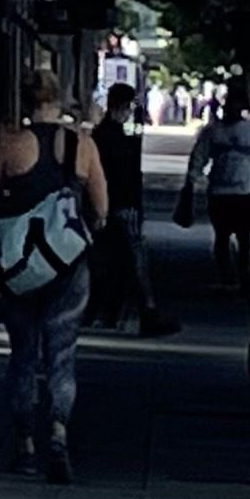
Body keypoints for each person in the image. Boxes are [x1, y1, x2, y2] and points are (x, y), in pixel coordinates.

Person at [0, 68, 109, 481]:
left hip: (20, 266)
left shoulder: (12, 143)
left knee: (22, 354)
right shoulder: (82, 146)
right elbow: (102, 208)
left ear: (25, 101)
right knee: (62, 355)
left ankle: (24, 447)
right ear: (60, 100)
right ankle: (58, 433)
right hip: (68, 265)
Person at [90, 81, 181, 337]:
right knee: (134, 259)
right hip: (122, 204)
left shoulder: (101, 135)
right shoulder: (116, 138)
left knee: (112, 259)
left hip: (109, 203)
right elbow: (127, 174)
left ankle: (107, 309)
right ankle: (146, 311)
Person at [183, 82, 250, 298]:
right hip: (221, 192)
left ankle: (243, 274)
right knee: (223, 236)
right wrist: (193, 179)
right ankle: (227, 274)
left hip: (244, 192)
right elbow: (199, 156)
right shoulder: (214, 131)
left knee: (243, 237)